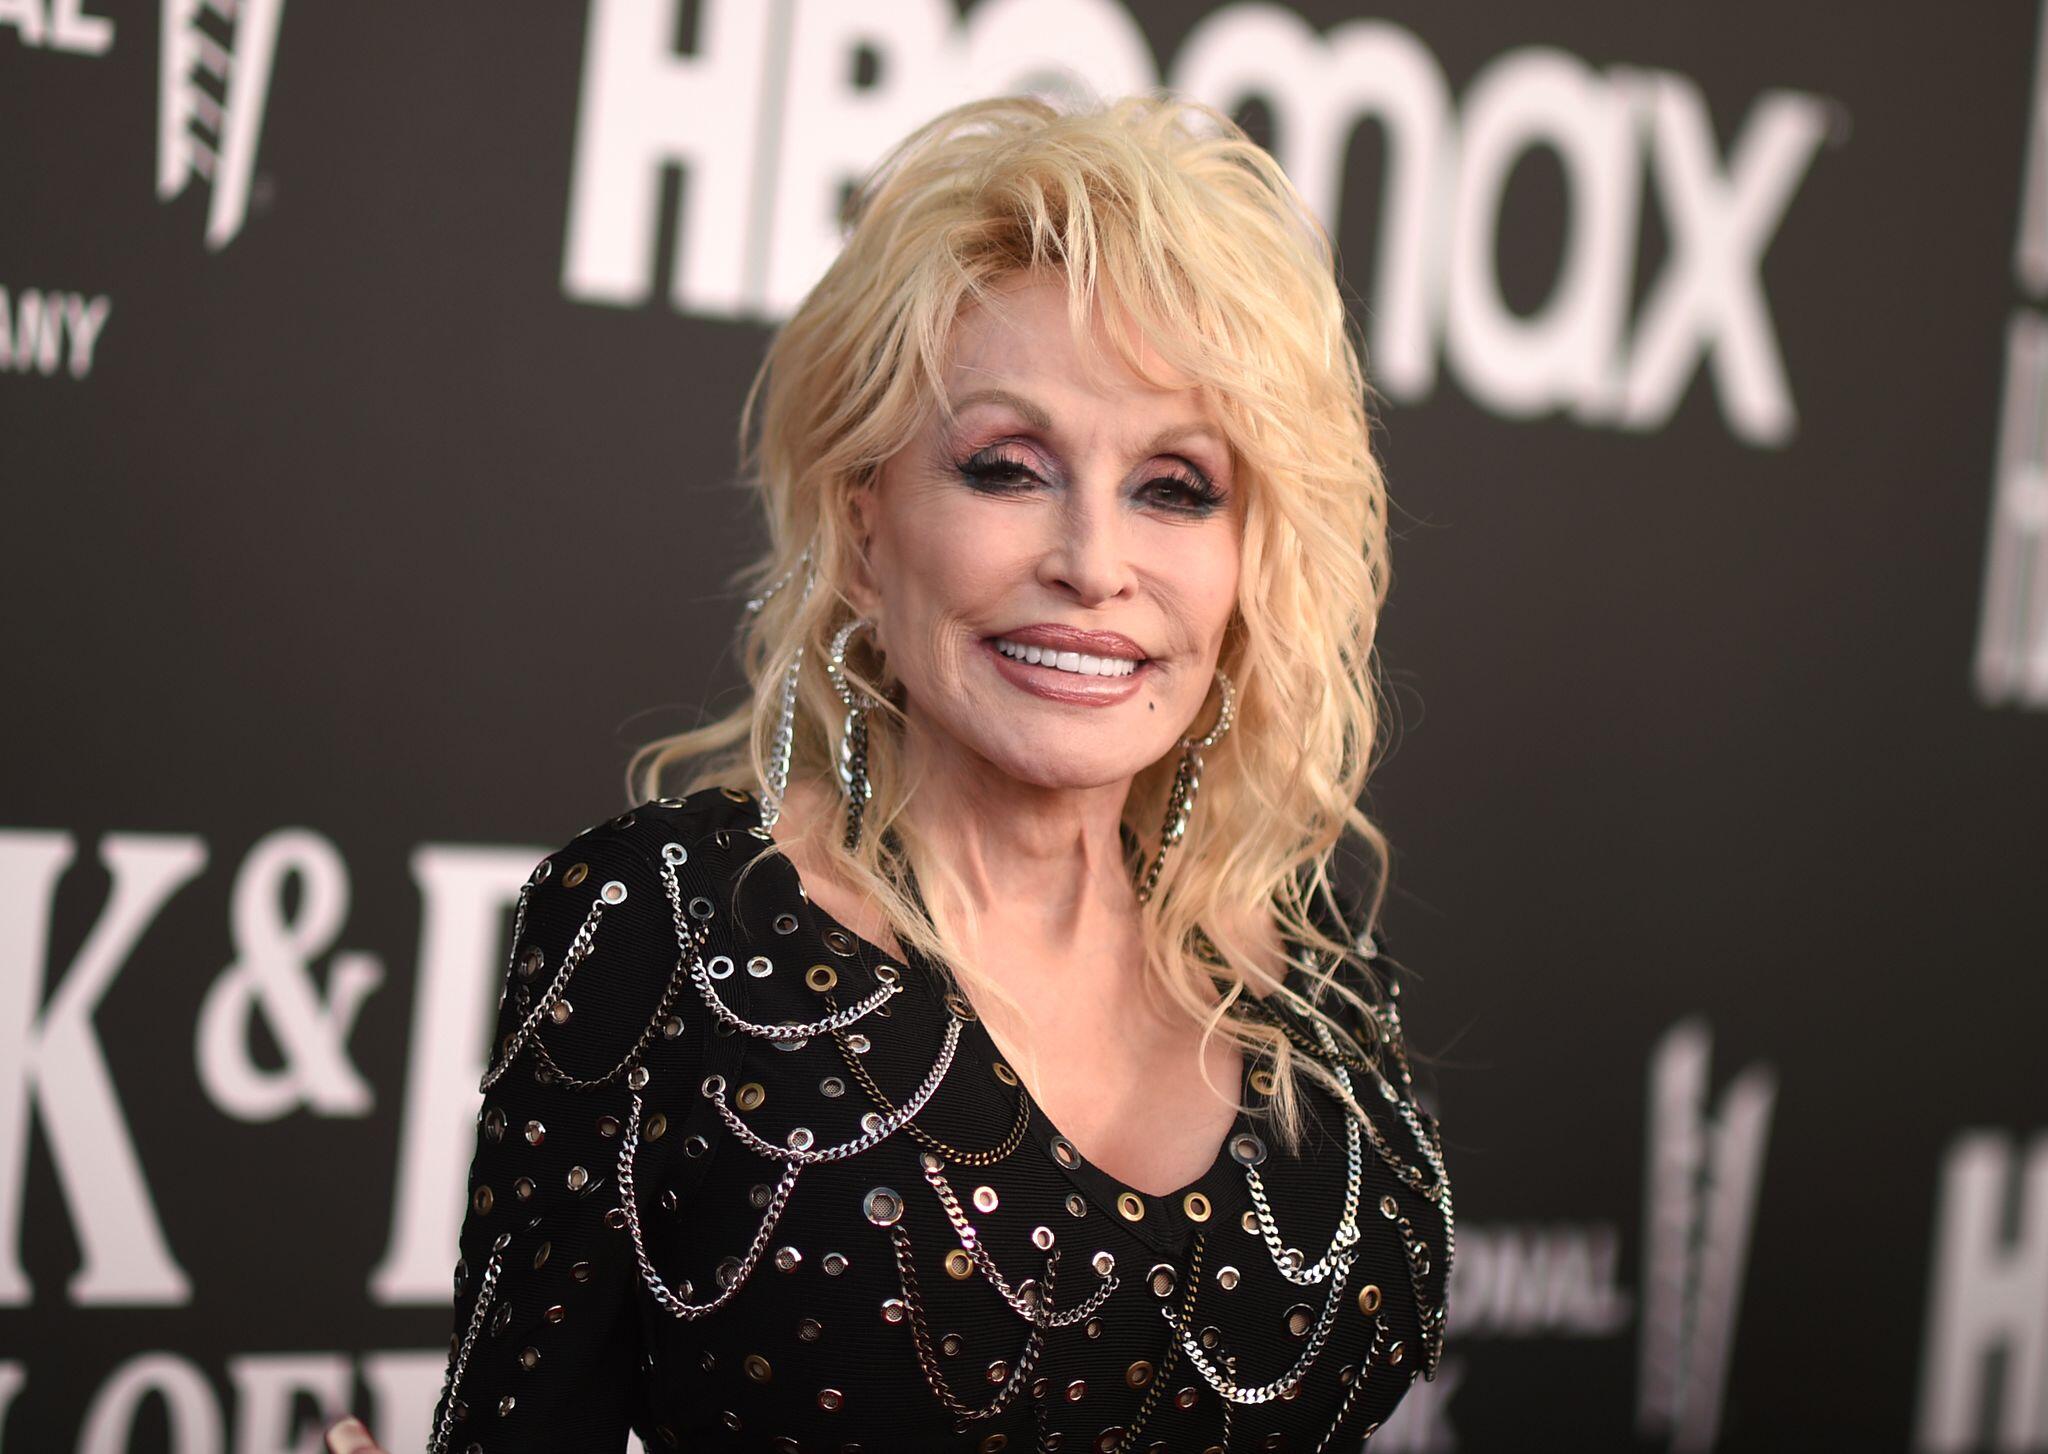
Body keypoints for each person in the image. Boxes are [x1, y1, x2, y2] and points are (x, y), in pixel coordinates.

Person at [327, 90, 1450, 1454]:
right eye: (1008, 468)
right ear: (866, 534)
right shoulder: (670, 932)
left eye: (1175, 487)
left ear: (1246, 561)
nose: (1095, 563)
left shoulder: (1312, 958)